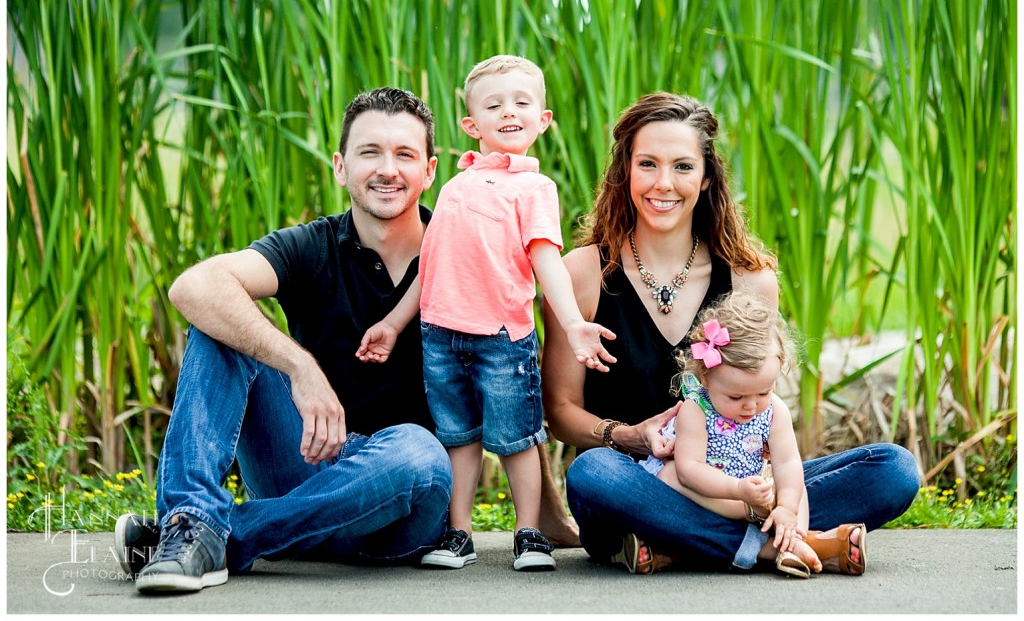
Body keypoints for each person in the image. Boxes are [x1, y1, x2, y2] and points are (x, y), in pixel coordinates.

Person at [112, 87, 575, 594]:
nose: (387, 169)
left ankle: (215, 534)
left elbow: (508, 374)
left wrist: (545, 513)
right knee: (218, 325)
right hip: (302, 465)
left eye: (404, 155)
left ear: (431, 171)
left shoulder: (468, 254)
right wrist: (299, 367)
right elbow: (193, 286)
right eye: (369, 153)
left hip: (401, 502)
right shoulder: (312, 245)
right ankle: (192, 522)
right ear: (340, 166)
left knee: (419, 450)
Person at [541, 92, 920, 575]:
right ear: (625, 172)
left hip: (736, 487)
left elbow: (758, 409)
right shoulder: (581, 274)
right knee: (591, 474)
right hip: (636, 486)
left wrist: (772, 491)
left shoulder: (750, 280)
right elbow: (560, 413)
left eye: (682, 166)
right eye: (648, 164)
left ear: (706, 177)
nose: (663, 183)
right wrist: (627, 436)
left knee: (892, 470)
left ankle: (679, 545)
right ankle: (774, 545)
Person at [358, 56, 616, 572]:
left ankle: (528, 532)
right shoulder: (453, 189)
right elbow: (429, 270)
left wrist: (572, 324)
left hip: (503, 336)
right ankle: (459, 534)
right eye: (494, 105)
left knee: (518, 438)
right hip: (440, 335)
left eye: (522, 103)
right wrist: (393, 323)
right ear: (472, 125)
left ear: (543, 120)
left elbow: (546, 258)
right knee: (458, 436)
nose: (509, 112)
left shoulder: (534, 189)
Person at [640, 291, 829, 578]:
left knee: (795, 486)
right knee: (668, 477)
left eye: (764, 392)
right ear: (705, 377)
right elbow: (689, 470)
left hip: (755, 489)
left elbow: (787, 462)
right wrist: (739, 494)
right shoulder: (697, 410)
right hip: (711, 494)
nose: (751, 406)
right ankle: (771, 541)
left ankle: (792, 535)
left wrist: (787, 506)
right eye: (736, 396)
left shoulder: (774, 411)